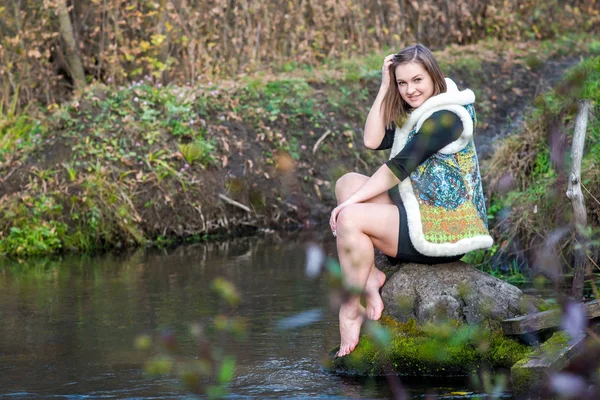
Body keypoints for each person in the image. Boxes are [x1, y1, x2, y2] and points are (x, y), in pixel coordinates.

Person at [329, 44, 493, 357]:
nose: (410, 90)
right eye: (402, 83)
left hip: (443, 230)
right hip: (418, 208)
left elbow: (399, 168)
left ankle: (350, 310)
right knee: (347, 183)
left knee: (350, 216)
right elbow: (372, 140)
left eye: (417, 80)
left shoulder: (448, 117)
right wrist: (384, 87)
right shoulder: (420, 110)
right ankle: (371, 278)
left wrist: (347, 208)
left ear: (434, 75)